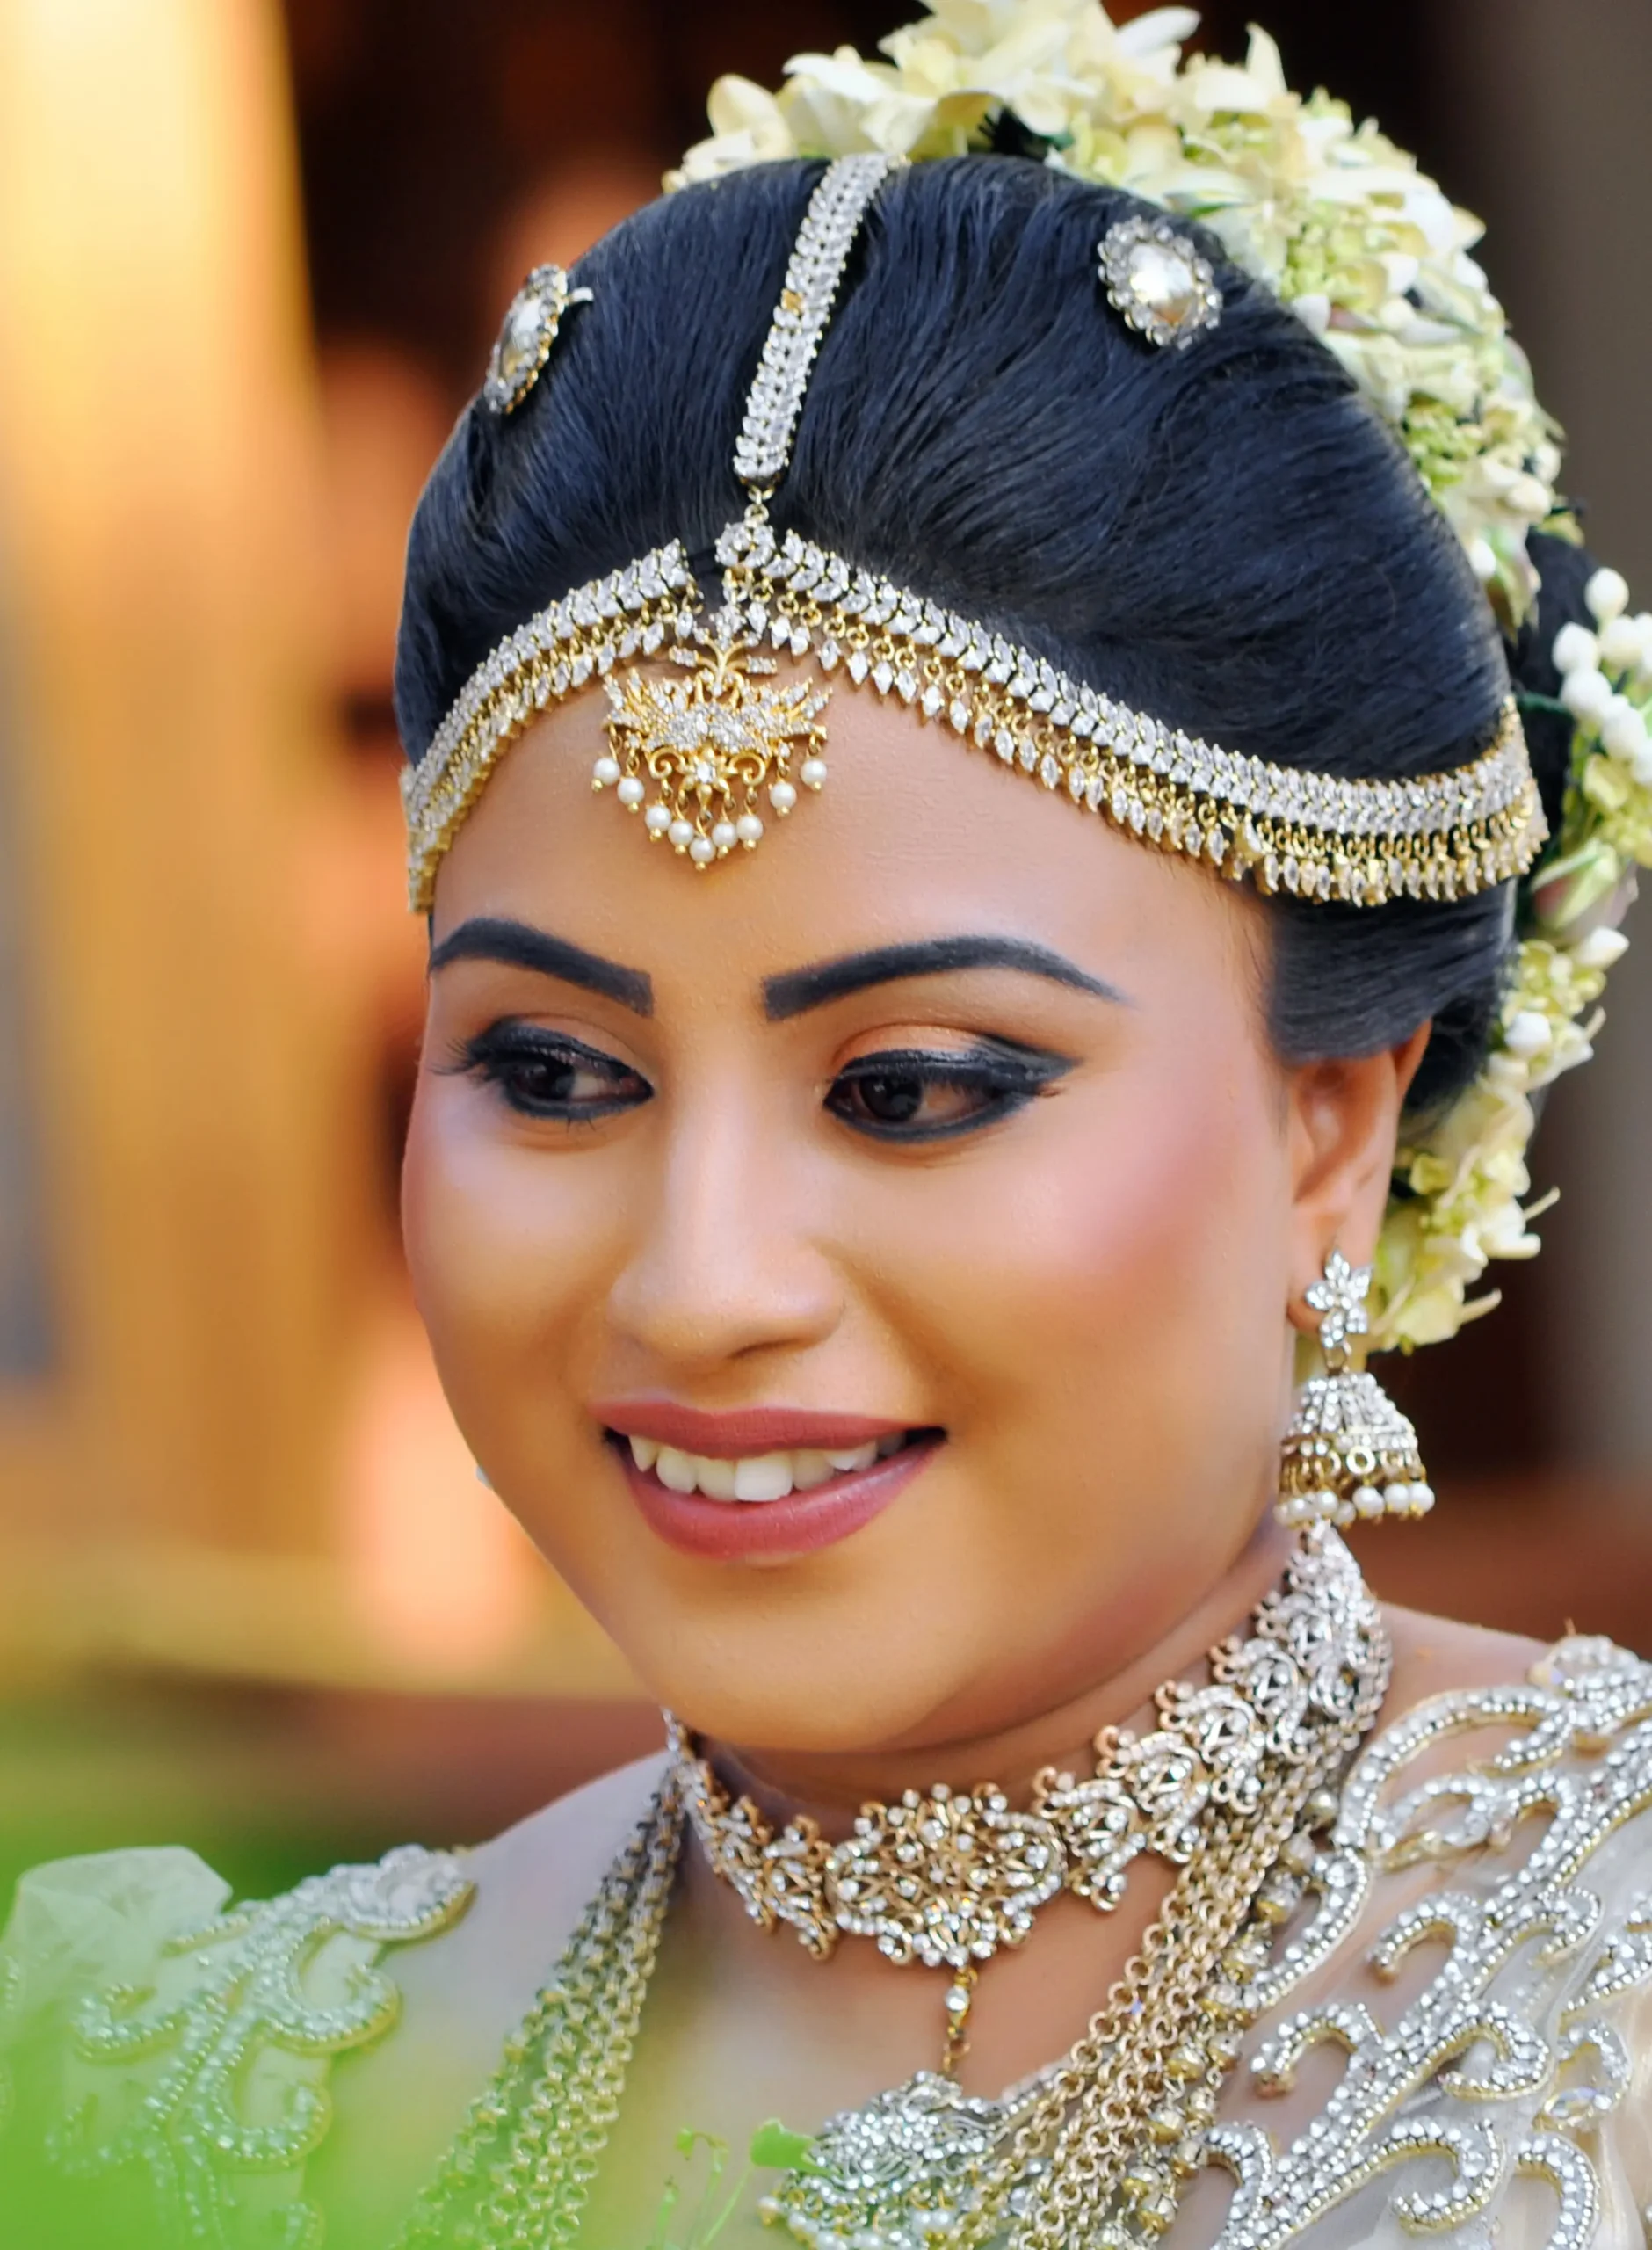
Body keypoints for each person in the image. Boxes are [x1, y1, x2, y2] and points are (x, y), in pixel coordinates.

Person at [5, 8, 1652, 2246]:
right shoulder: (188, 2072)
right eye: (555, 1072)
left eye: (909, 1090)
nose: (700, 1279)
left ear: (1325, 1134)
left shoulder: (1606, 1981)